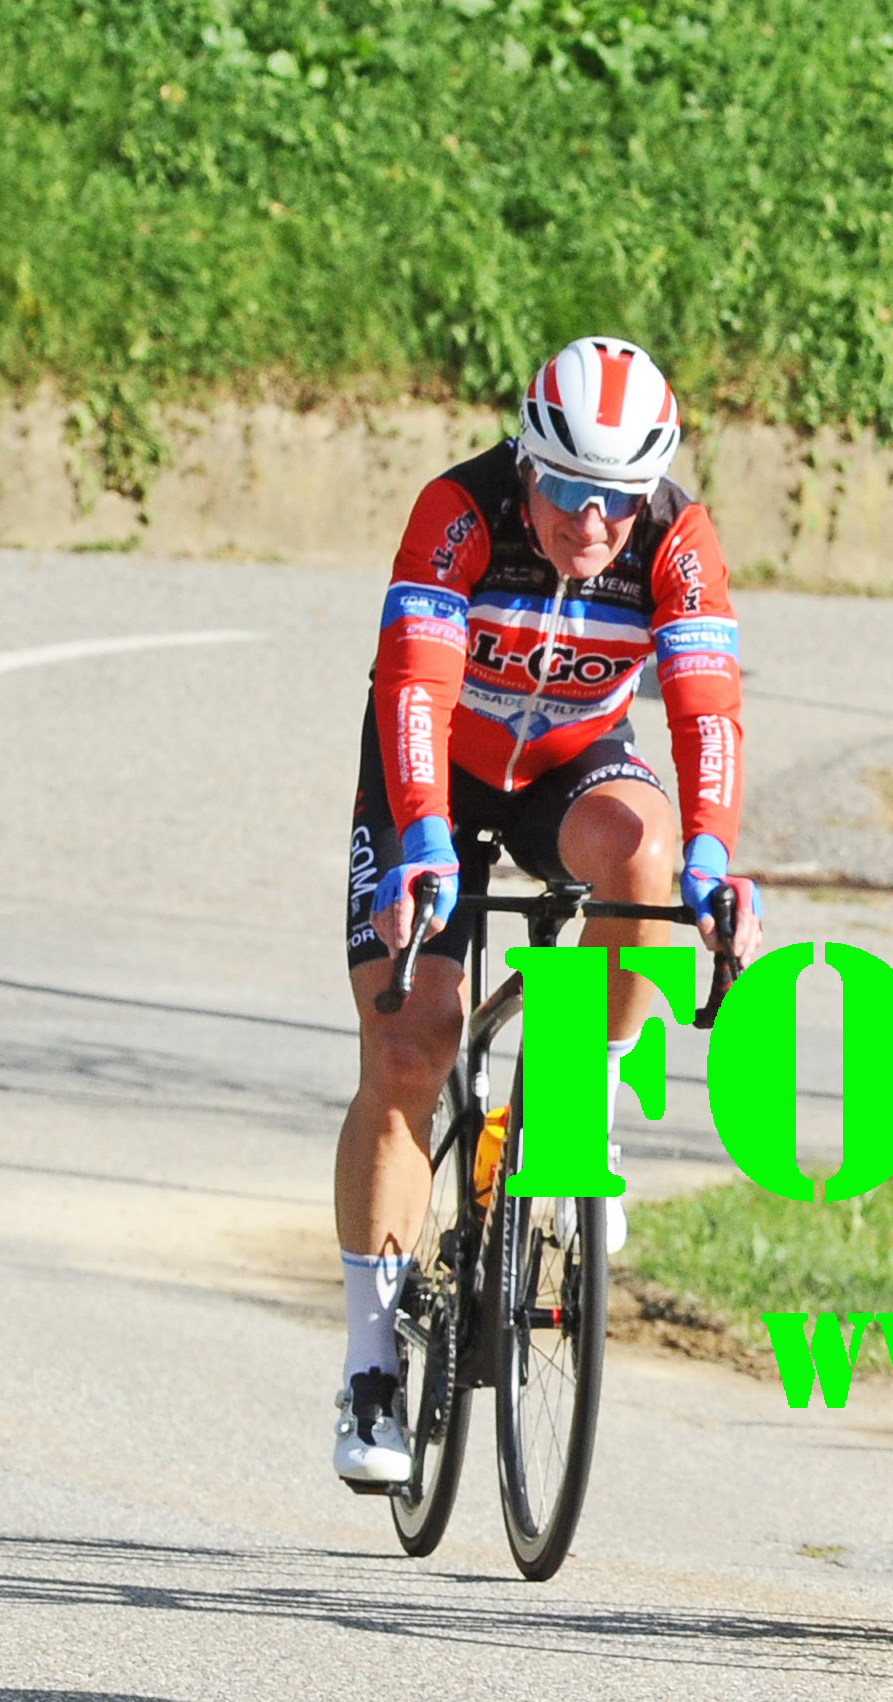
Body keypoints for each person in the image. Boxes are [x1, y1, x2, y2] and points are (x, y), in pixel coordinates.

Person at [333, 335, 760, 1491]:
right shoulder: (459, 513)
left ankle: (581, 1090)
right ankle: (370, 1364)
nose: (594, 522)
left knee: (646, 850)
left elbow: (706, 709)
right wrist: (423, 839)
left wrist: (712, 861)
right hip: (431, 775)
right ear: (527, 463)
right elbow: (412, 684)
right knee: (412, 1045)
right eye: (569, 491)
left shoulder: (675, 536)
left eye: (619, 497)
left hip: (570, 769)